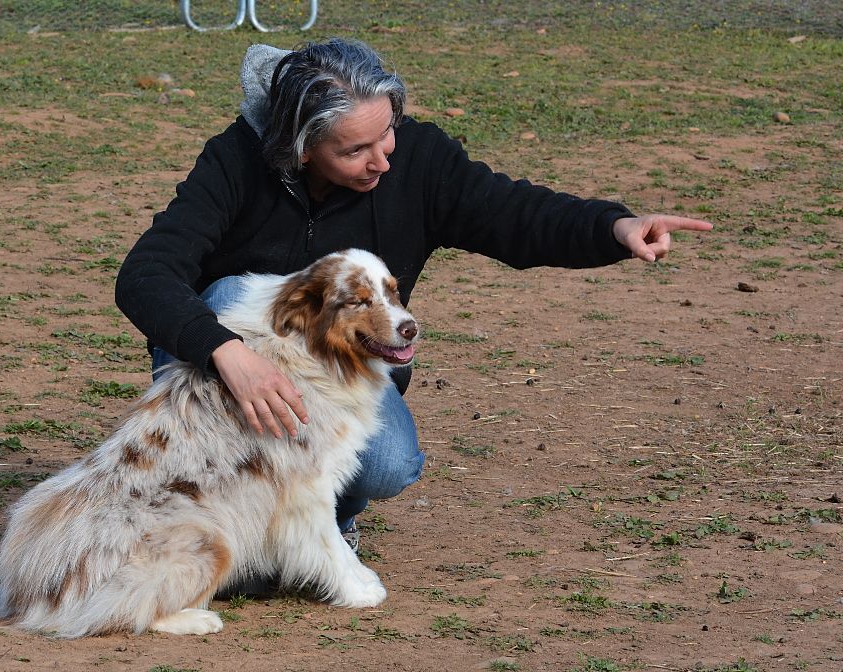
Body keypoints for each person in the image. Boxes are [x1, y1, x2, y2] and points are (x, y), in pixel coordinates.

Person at [115, 38, 712, 557]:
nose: (382, 161)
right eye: (354, 151)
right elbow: (147, 273)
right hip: (233, 365)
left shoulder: (418, 160)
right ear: (300, 150)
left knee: (389, 465)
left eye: (387, 134)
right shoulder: (237, 161)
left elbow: (513, 213)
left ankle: (327, 524)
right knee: (228, 292)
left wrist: (614, 228)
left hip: (342, 370)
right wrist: (227, 351)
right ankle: (198, 524)